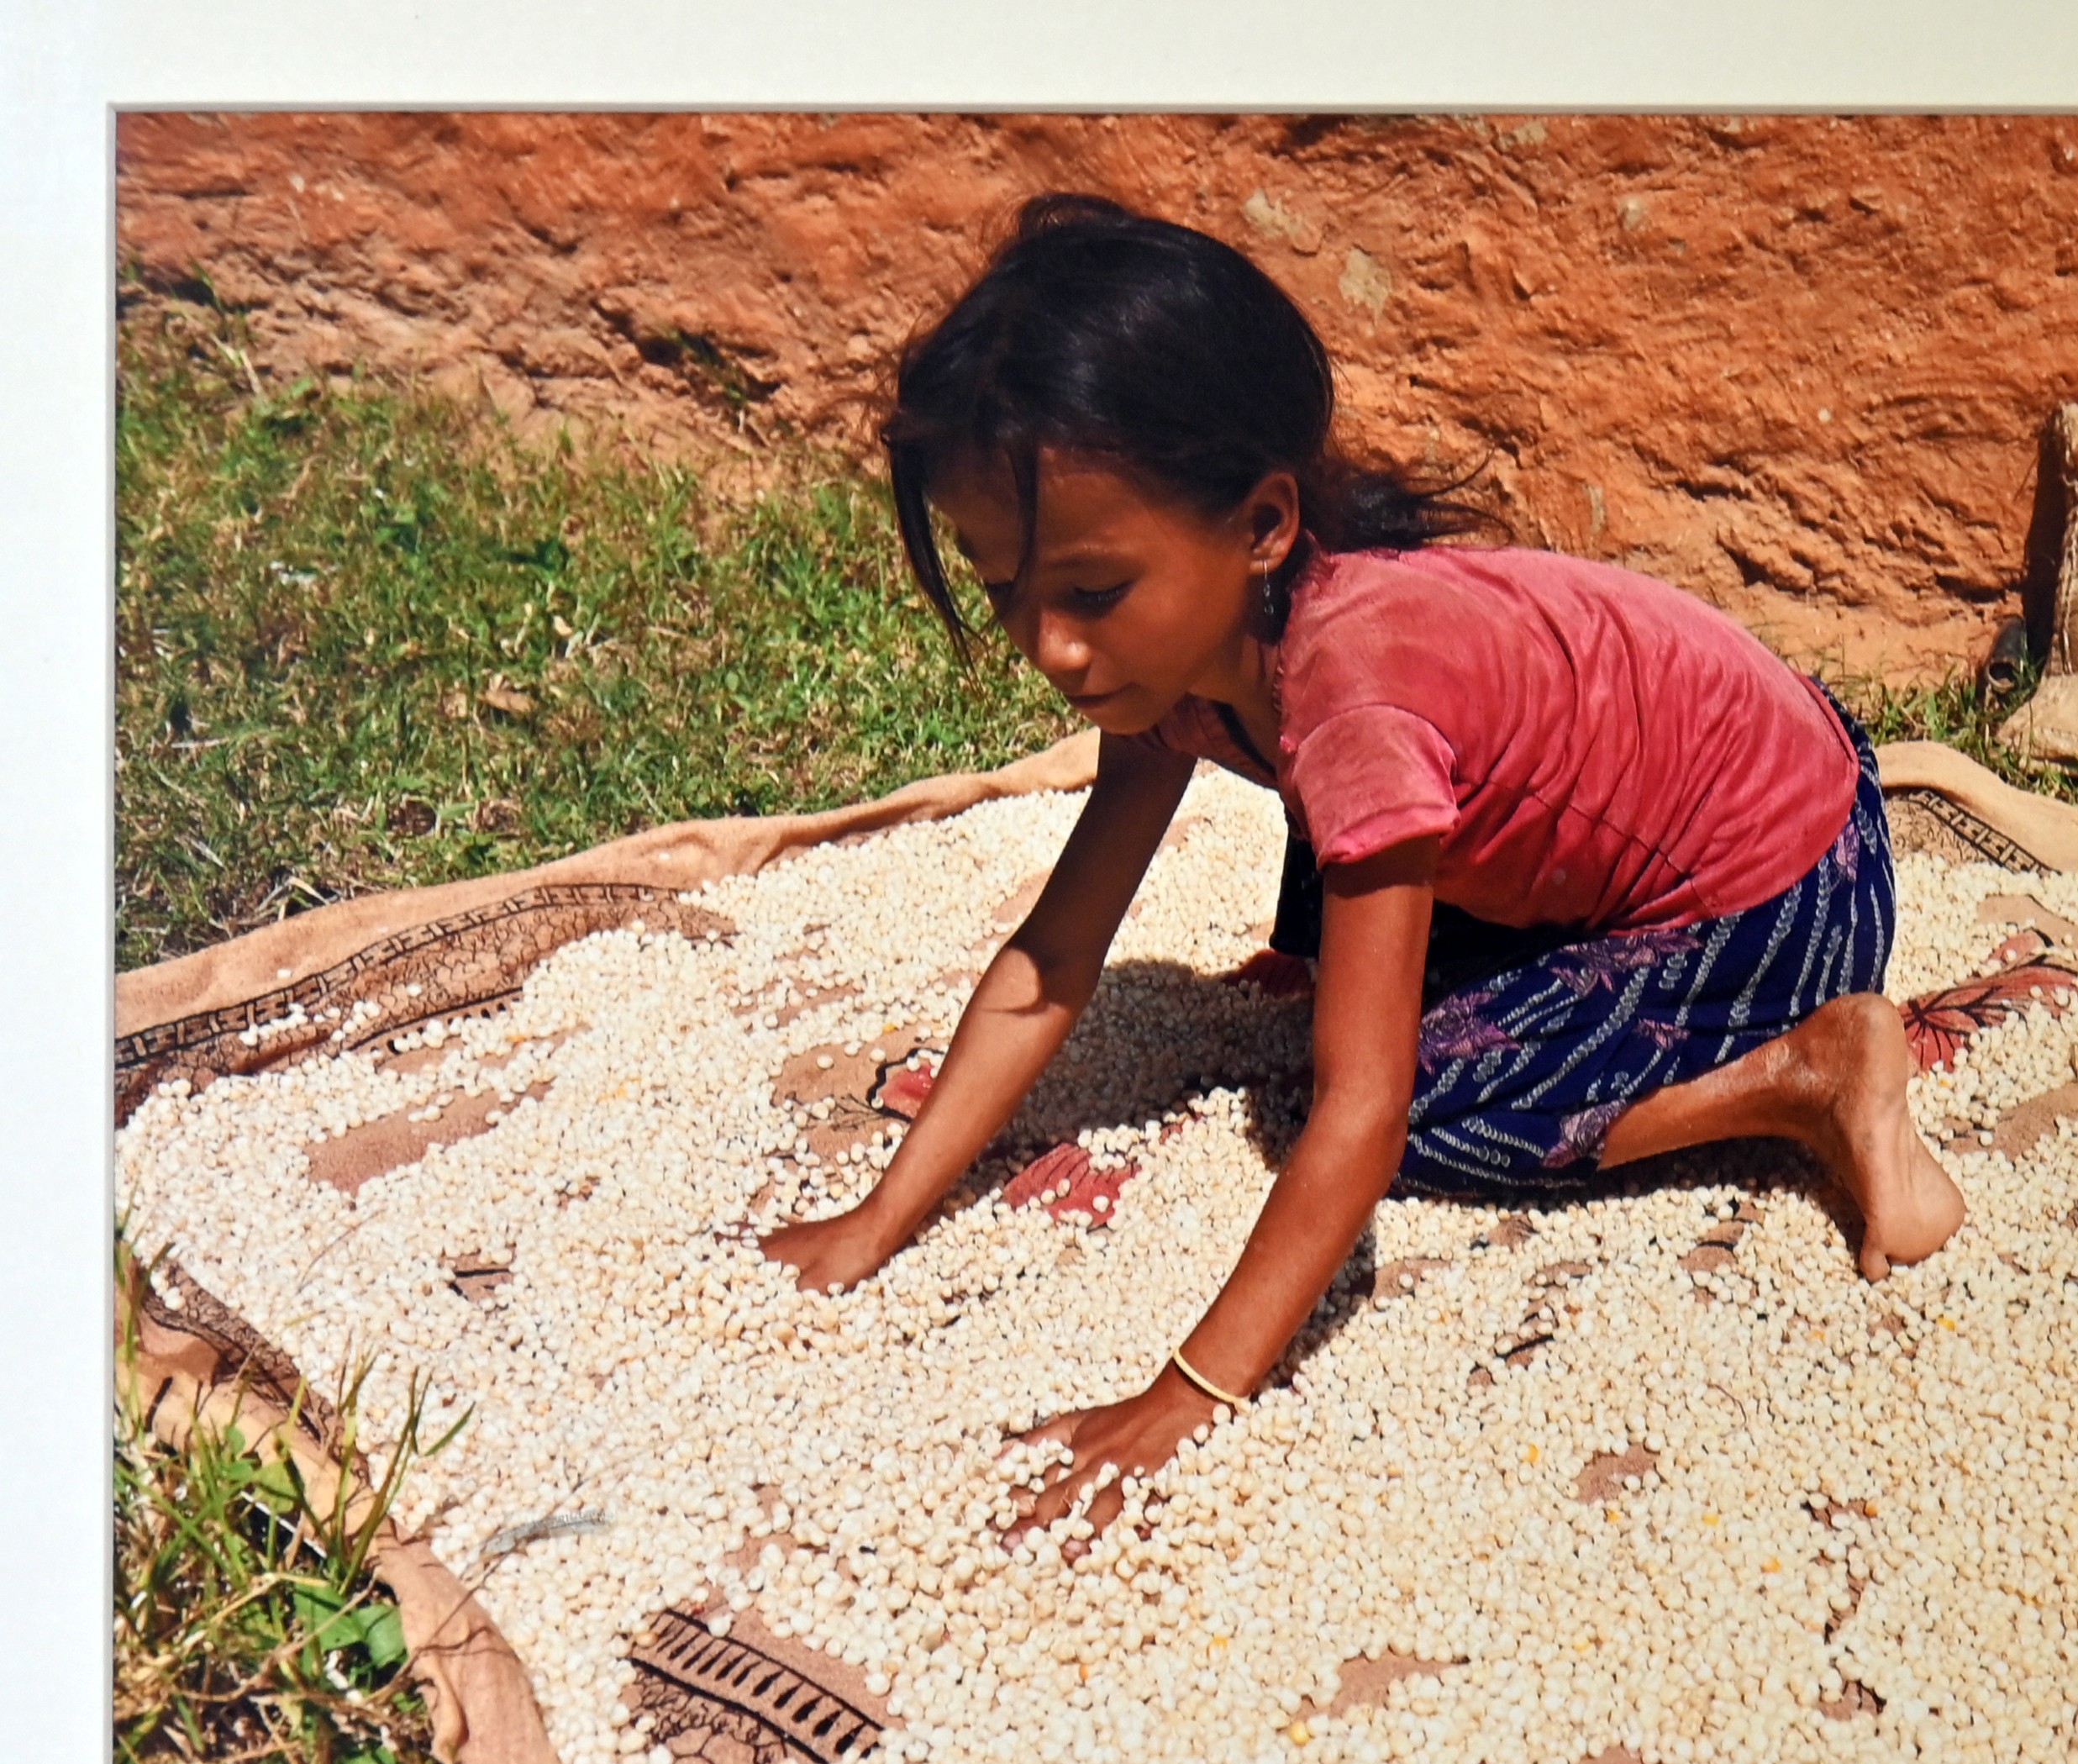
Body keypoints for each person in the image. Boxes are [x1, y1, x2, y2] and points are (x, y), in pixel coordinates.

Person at [760, 194, 1965, 1545]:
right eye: (1003, 589)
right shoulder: (1187, 670)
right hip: (1741, 772)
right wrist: (876, 1221)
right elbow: (1055, 957)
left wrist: (1187, 1393)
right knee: (1342, 964)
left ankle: (1798, 1076)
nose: (1048, 648)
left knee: (1427, 1105)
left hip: (1779, 880)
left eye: (1091, 594)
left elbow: (1361, 1115)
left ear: (1265, 523)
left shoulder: (1352, 697)